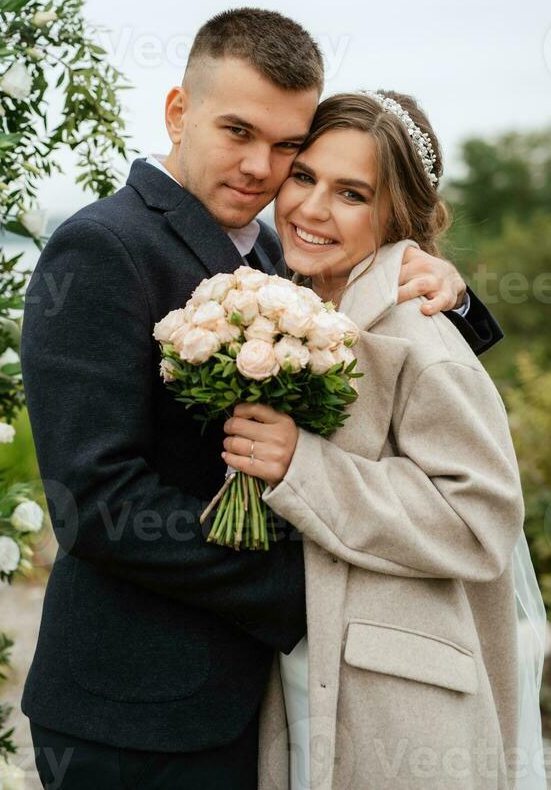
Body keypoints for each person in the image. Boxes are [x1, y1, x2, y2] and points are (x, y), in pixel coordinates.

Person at [20, 10, 503, 789]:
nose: (260, 168)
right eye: (236, 131)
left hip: (260, 703)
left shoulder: (283, 251)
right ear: (178, 111)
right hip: (139, 705)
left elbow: (386, 372)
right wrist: (310, 590)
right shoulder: (104, 247)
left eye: (286, 147)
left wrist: (452, 301)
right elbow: (97, 500)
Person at [221, 90, 546, 789]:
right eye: (303, 176)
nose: (310, 208)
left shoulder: (417, 331)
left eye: (351, 193)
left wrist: (302, 466)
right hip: (311, 668)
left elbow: (480, 519)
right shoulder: (296, 299)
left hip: (399, 705)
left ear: (395, 211)